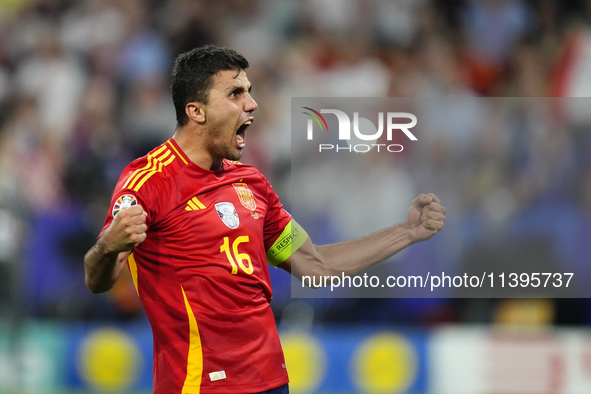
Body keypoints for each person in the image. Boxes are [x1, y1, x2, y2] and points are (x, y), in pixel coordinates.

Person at [83, 45, 446, 394]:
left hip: (271, 381)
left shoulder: (251, 183)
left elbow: (315, 265)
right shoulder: (148, 180)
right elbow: (98, 278)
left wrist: (408, 232)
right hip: (201, 385)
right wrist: (106, 246)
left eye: (250, 92)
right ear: (196, 111)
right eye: (236, 94)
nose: (252, 104)